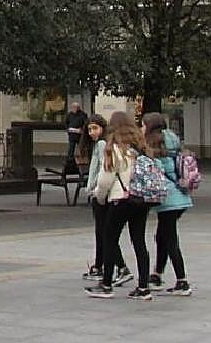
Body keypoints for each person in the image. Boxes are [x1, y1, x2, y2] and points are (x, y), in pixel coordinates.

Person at [84, 111, 152, 300]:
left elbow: (106, 179)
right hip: (141, 199)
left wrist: (99, 196)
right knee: (139, 241)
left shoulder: (115, 148)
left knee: (109, 238)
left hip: (121, 199)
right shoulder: (141, 146)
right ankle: (144, 286)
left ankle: (106, 284)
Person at [143, 112, 193, 296]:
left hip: (168, 198)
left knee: (170, 239)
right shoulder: (173, 138)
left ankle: (182, 280)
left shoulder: (155, 144)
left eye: (143, 125)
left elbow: (158, 170)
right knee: (162, 235)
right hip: (180, 195)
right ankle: (157, 274)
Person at [80, 113, 130, 285]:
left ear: (103, 128)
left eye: (95, 128)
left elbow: (103, 169)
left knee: (105, 233)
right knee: (102, 233)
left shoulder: (102, 145)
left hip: (102, 193)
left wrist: (95, 190)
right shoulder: (99, 144)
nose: (92, 132)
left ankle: (120, 266)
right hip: (101, 192)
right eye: (89, 129)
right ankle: (100, 265)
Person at [64, 101, 88, 174]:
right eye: (73, 107)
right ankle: (70, 160)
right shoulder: (69, 115)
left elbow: (85, 123)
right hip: (72, 134)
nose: (74, 109)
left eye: (75, 107)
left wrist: (82, 130)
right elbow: (66, 123)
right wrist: (68, 129)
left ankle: (83, 159)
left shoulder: (82, 114)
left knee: (81, 146)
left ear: (78, 108)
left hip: (79, 134)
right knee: (71, 147)